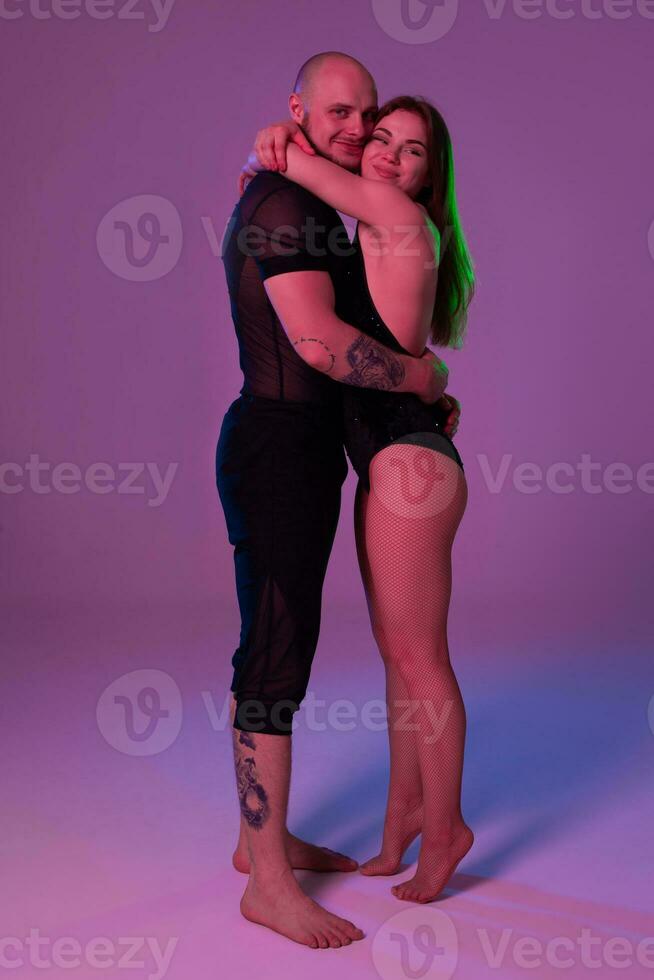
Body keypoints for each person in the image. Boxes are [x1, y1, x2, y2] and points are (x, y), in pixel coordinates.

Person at [216, 52, 461, 949]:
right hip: (280, 449)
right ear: (298, 110)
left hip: (326, 452)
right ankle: (268, 883)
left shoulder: (331, 203)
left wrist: (421, 402)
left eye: (376, 119)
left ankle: (264, 844)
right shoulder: (286, 203)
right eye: (345, 114)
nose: (360, 131)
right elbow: (320, 345)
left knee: (320, 650)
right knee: (275, 656)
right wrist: (422, 377)